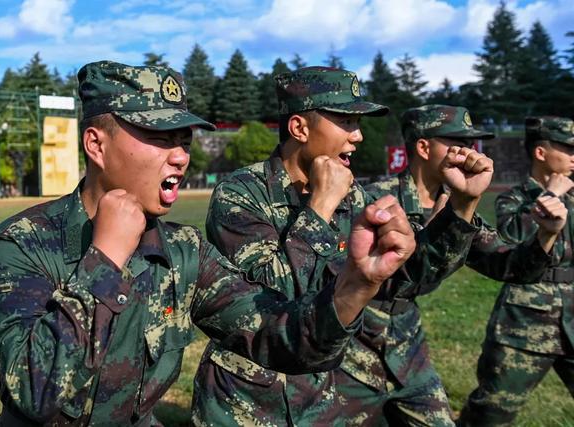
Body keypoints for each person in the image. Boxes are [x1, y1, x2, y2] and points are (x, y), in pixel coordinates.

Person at [0, 61, 418, 426]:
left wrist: (356, 286)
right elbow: (33, 392)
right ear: (96, 145)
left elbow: (275, 334)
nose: (179, 156)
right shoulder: (25, 241)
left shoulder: (184, 251)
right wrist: (105, 259)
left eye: (184, 141)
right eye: (159, 137)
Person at [191, 68, 494, 426]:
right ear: (300, 129)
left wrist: (461, 206)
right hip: (248, 398)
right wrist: (320, 207)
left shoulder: (353, 197)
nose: (358, 136)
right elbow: (272, 300)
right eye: (346, 122)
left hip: (323, 394)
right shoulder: (241, 194)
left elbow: (403, 283)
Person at [350, 105, 567, 426]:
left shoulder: (460, 208)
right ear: (423, 147)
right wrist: (457, 211)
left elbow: (510, 267)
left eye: (471, 144)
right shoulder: (371, 200)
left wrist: (546, 236)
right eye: (458, 143)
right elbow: (404, 277)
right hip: (351, 344)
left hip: (405, 346)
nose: (469, 152)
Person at [459, 116, 574, 426]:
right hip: (525, 322)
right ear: (541, 152)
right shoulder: (515, 198)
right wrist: (551, 197)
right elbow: (511, 245)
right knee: (491, 411)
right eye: (568, 149)